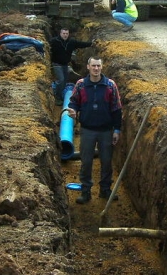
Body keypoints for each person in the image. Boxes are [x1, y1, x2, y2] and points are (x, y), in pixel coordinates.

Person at [66, 57, 123, 204]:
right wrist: (73, 110)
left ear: (102, 67)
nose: (96, 69)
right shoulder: (81, 85)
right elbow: (74, 102)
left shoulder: (110, 85)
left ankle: (105, 190)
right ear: (88, 67)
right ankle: (86, 191)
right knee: (86, 162)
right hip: (87, 130)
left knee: (107, 161)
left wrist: (117, 130)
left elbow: (117, 109)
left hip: (106, 131)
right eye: (93, 66)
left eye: (98, 66)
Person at [49, 27, 95, 106]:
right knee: (61, 79)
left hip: (65, 64)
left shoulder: (71, 42)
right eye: (63, 33)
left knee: (64, 81)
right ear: (60, 33)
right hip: (56, 64)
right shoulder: (54, 41)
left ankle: (56, 91)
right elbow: (46, 47)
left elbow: (80, 44)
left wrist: (91, 44)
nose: (65, 35)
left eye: (67, 33)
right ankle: (57, 97)